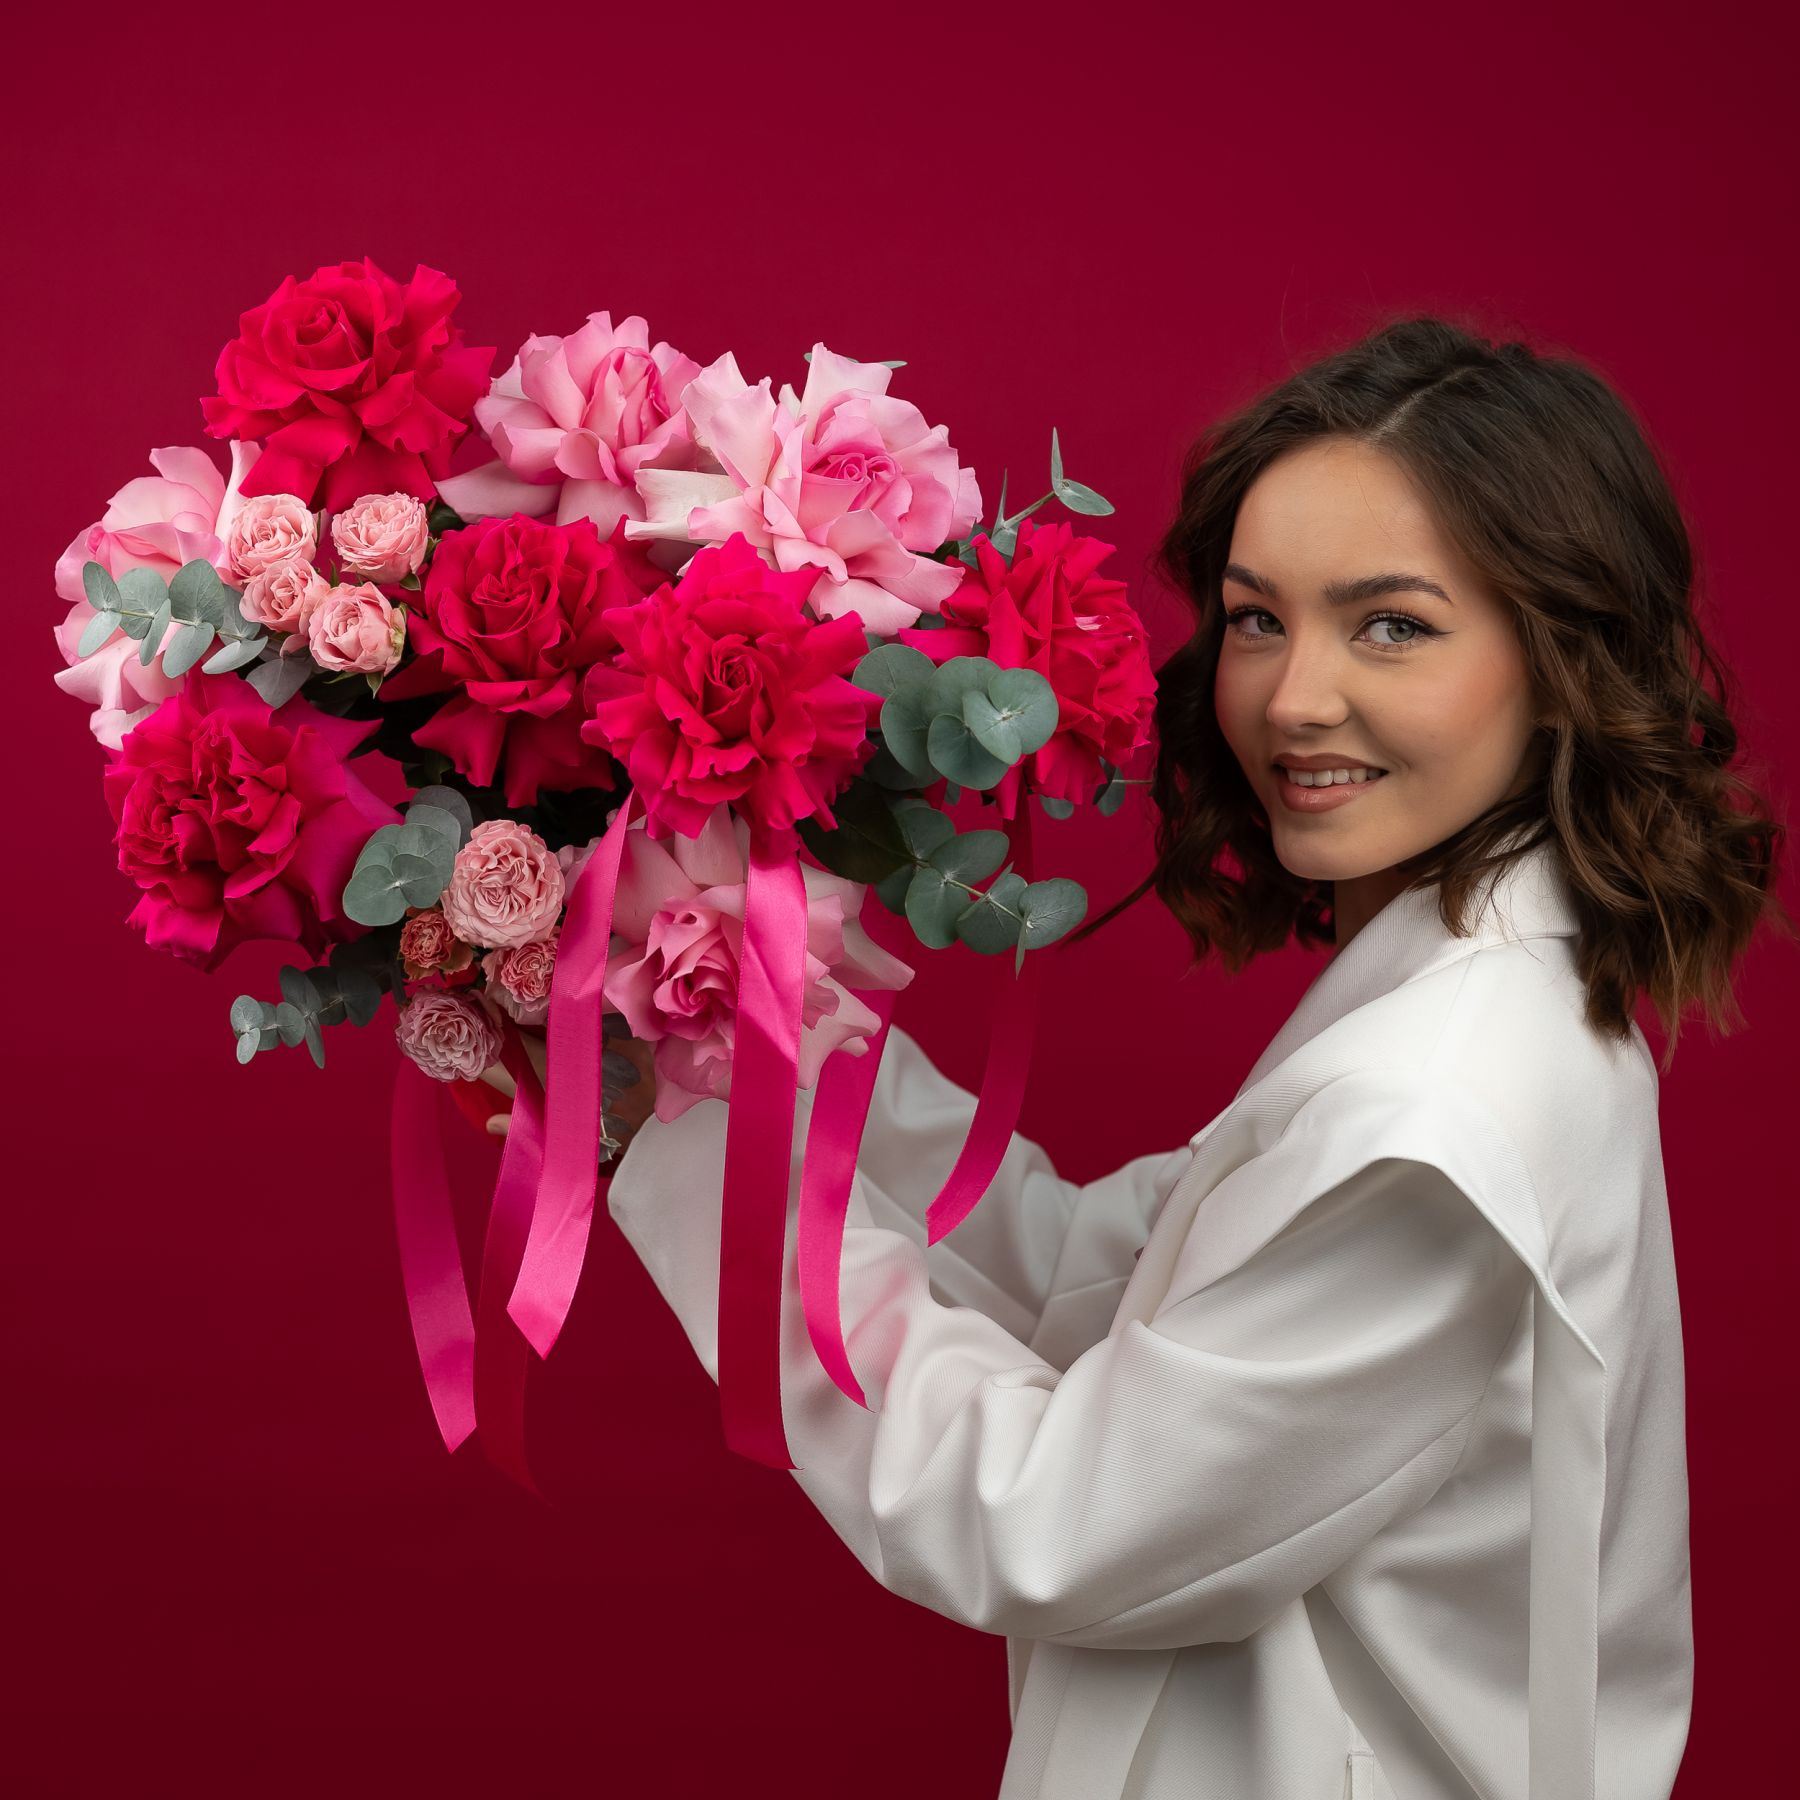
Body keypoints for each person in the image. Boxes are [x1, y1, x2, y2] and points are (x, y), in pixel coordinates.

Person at [481, 317, 1787, 1799]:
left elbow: (1050, 1525)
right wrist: (737, 1020)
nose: (1292, 700)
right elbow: (1084, 1273)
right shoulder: (1466, 997)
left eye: (1393, 626)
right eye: (1256, 619)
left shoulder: (1432, 1111)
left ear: (1561, 660)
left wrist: (675, 1131)